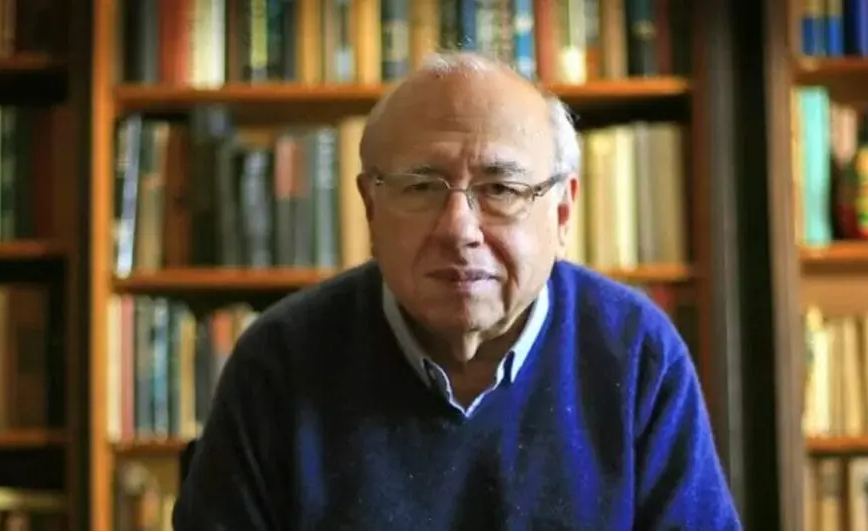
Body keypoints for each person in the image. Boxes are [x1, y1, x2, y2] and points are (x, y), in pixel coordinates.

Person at [172, 51, 741, 530]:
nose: (459, 229)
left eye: (500, 188)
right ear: (371, 208)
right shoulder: (279, 361)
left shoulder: (635, 352)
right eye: (421, 187)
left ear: (563, 212)